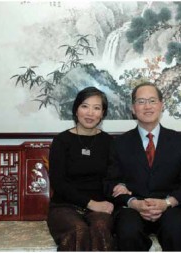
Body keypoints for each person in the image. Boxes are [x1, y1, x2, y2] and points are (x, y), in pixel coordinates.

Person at [105, 82, 181, 251]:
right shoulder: (119, 143)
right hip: (132, 209)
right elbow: (110, 182)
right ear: (133, 108)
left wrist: (167, 203)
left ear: (161, 105)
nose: (147, 106)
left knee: (176, 231)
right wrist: (133, 202)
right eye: (141, 102)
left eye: (152, 101)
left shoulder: (180, 142)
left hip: (169, 207)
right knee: (128, 232)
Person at [47, 86, 115, 251]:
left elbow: (113, 178)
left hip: (100, 206)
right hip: (65, 206)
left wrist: (114, 197)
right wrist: (90, 204)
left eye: (96, 108)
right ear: (76, 109)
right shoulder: (61, 141)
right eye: (85, 106)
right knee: (78, 230)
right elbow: (59, 183)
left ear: (102, 114)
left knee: (100, 227)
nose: (90, 113)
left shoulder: (108, 142)